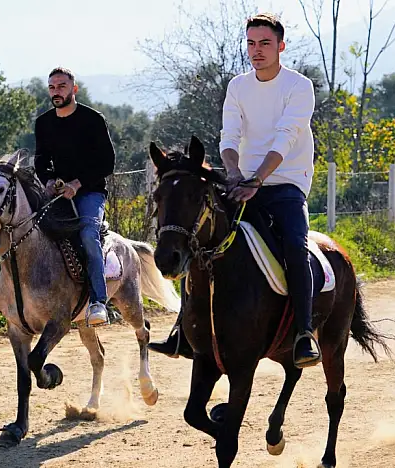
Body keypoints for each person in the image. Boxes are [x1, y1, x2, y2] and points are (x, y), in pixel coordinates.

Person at [149, 13, 322, 369]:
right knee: (198, 234)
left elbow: (286, 138)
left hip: (286, 184)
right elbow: (229, 137)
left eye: (265, 43)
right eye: (251, 43)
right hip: (241, 182)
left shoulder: (299, 86)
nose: (257, 50)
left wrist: (257, 179)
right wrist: (234, 175)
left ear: (280, 46)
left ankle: (304, 333)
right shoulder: (238, 87)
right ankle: (183, 328)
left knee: (295, 246)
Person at [33, 66, 116, 327]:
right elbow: (40, 161)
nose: (56, 92)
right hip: (58, 193)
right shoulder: (43, 123)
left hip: (90, 192)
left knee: (88, 235)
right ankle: (15, 296)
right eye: (52, 87)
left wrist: (77, 184)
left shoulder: (93, 119)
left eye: (62, 86)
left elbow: (107, 163)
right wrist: (49, 181)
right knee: (28, 229)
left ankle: (98, 301)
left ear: (74, 89)